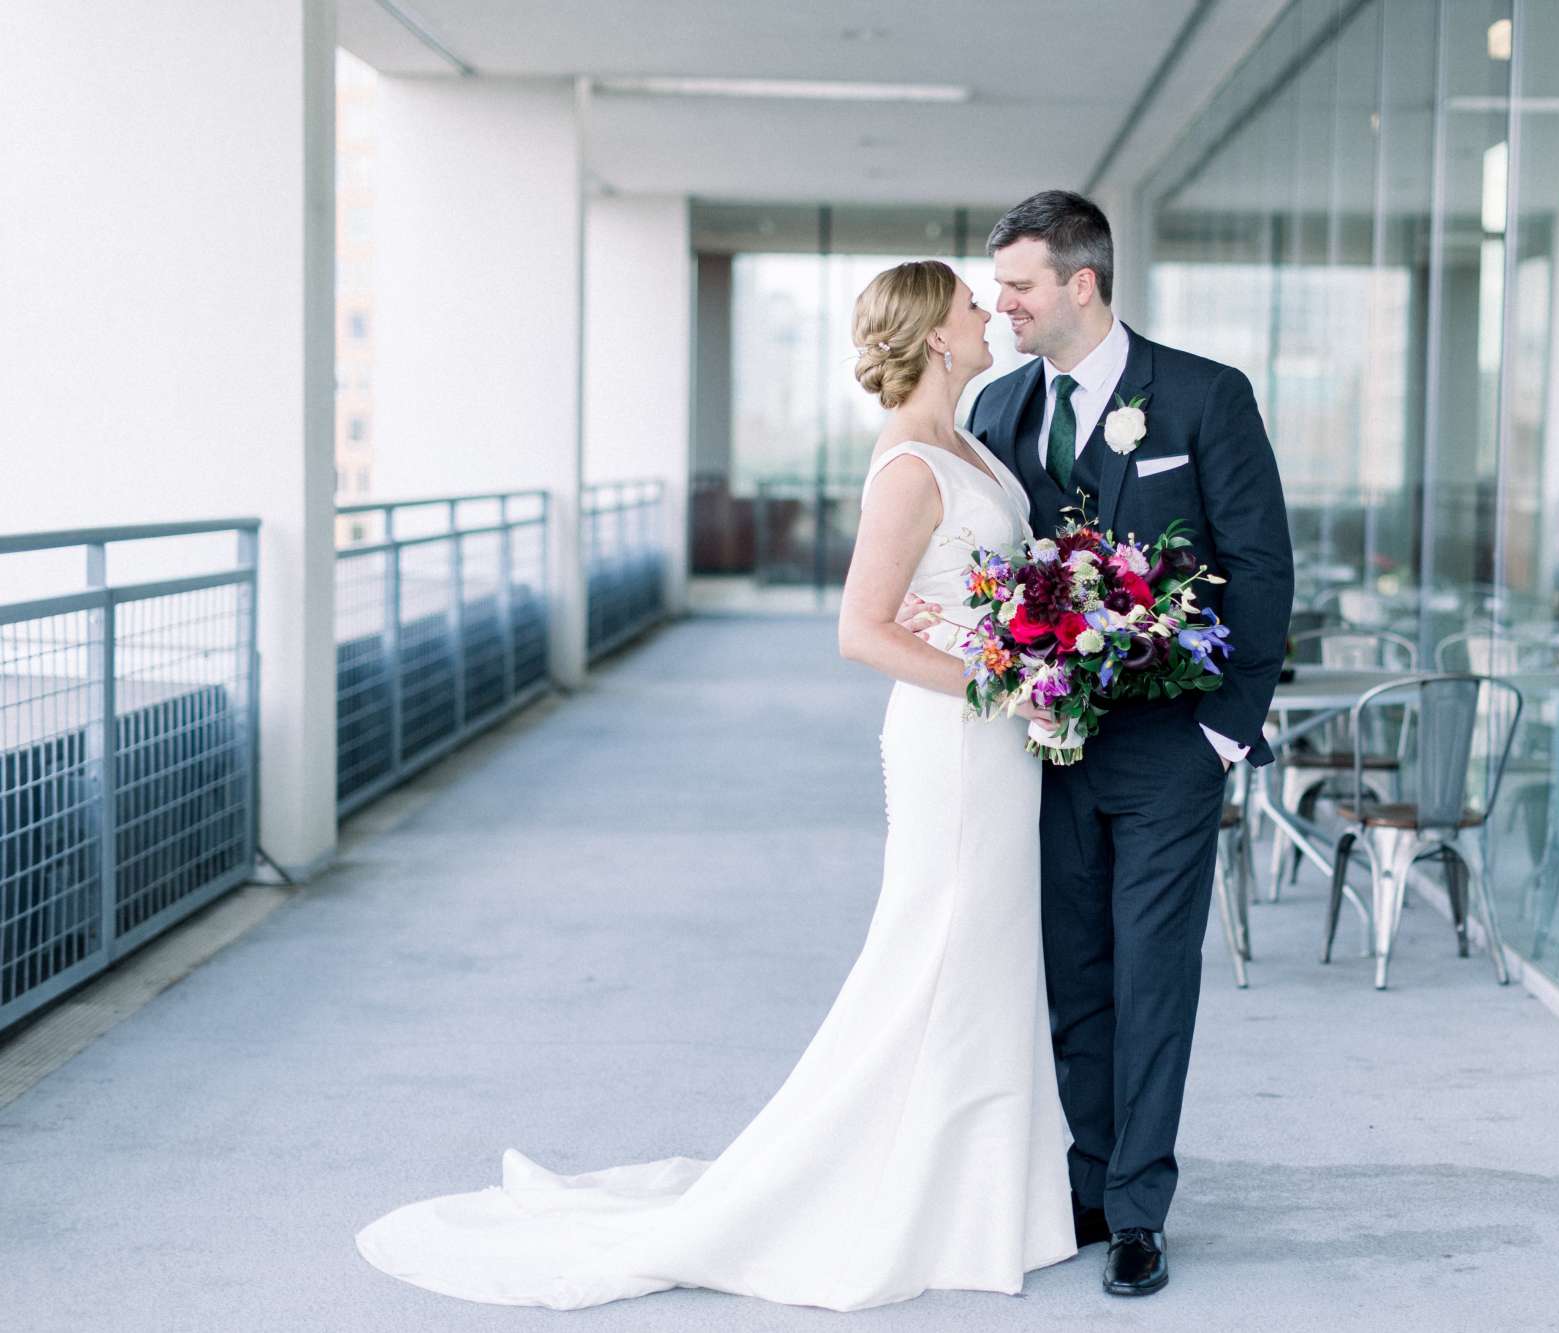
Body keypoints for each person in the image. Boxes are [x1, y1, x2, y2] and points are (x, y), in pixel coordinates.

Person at [353, 259, 1076, 1312]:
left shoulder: (972, 444)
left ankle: (984, 1195)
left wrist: (1032, 655)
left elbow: (982, 592)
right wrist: (1005, 683)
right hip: (956, 749)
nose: (987, 315)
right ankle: (898, 1191)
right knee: (934, 954)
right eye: (971, 303)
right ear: (931, 335)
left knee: (987, 958)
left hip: (1000, 743)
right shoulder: (911, 466)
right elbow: (859, 630)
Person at [902, 189, 1292, 1297]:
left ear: (1081, 282)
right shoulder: (999, 411)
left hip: (1172, 743)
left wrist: (1225, 731)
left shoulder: (1206, 396)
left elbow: (1260, 566)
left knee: (1152, 971)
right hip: (1042, 746)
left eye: (1017, 286)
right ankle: (1083, 1177)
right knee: (1072, 971)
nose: (1001, 306)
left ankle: (1136, 1208)